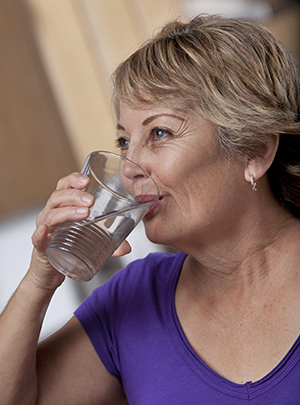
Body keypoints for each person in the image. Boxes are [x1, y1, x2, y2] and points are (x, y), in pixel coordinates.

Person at [1, 14, 300, 404]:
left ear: (255, 150)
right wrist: (39, 280)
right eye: (125, 141)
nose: (129, 168)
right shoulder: (134, 298)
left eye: (160, 133)